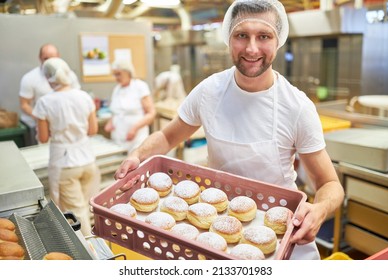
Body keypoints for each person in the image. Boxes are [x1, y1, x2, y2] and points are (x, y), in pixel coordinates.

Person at [114, 0, 344, 260]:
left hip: (278, 236)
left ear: (278, 41)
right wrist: (137, 155)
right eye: (241, 35)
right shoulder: (209, 91)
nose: (252, 48)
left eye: (264, 36)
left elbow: (330, 184)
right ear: (228, 38)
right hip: (216, 229)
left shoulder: (297, 107)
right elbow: (168, 135)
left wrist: (321, 209)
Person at [32, 57, 100, 236]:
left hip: (65, 164)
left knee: (76, 213)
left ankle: (90, 253)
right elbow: (92, 130)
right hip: (87, 161)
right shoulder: (84, 96)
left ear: (48, 78)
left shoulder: (45, 102)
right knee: (85, 206)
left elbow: (44, 137)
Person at [19, 43, 80, 145]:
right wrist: (42, 119)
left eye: (53, 58)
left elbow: (77, 99)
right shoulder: (30, 79)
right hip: (43, 126)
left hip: (68, 125)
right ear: (40, 58)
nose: (50, 62)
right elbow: (24, 104)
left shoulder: (71, 76)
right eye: (46, 58)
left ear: (59, 57)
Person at [104, 60, 156, 154]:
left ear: (128, 72)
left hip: (137, 138)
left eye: (118, 74)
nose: (116, 78)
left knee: (136, 164)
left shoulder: (140, 86)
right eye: (114, 75)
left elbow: (151, 113)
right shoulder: (117, 89)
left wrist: (134, 128)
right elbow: (116, 112)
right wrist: (111, 122)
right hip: (118, 137)